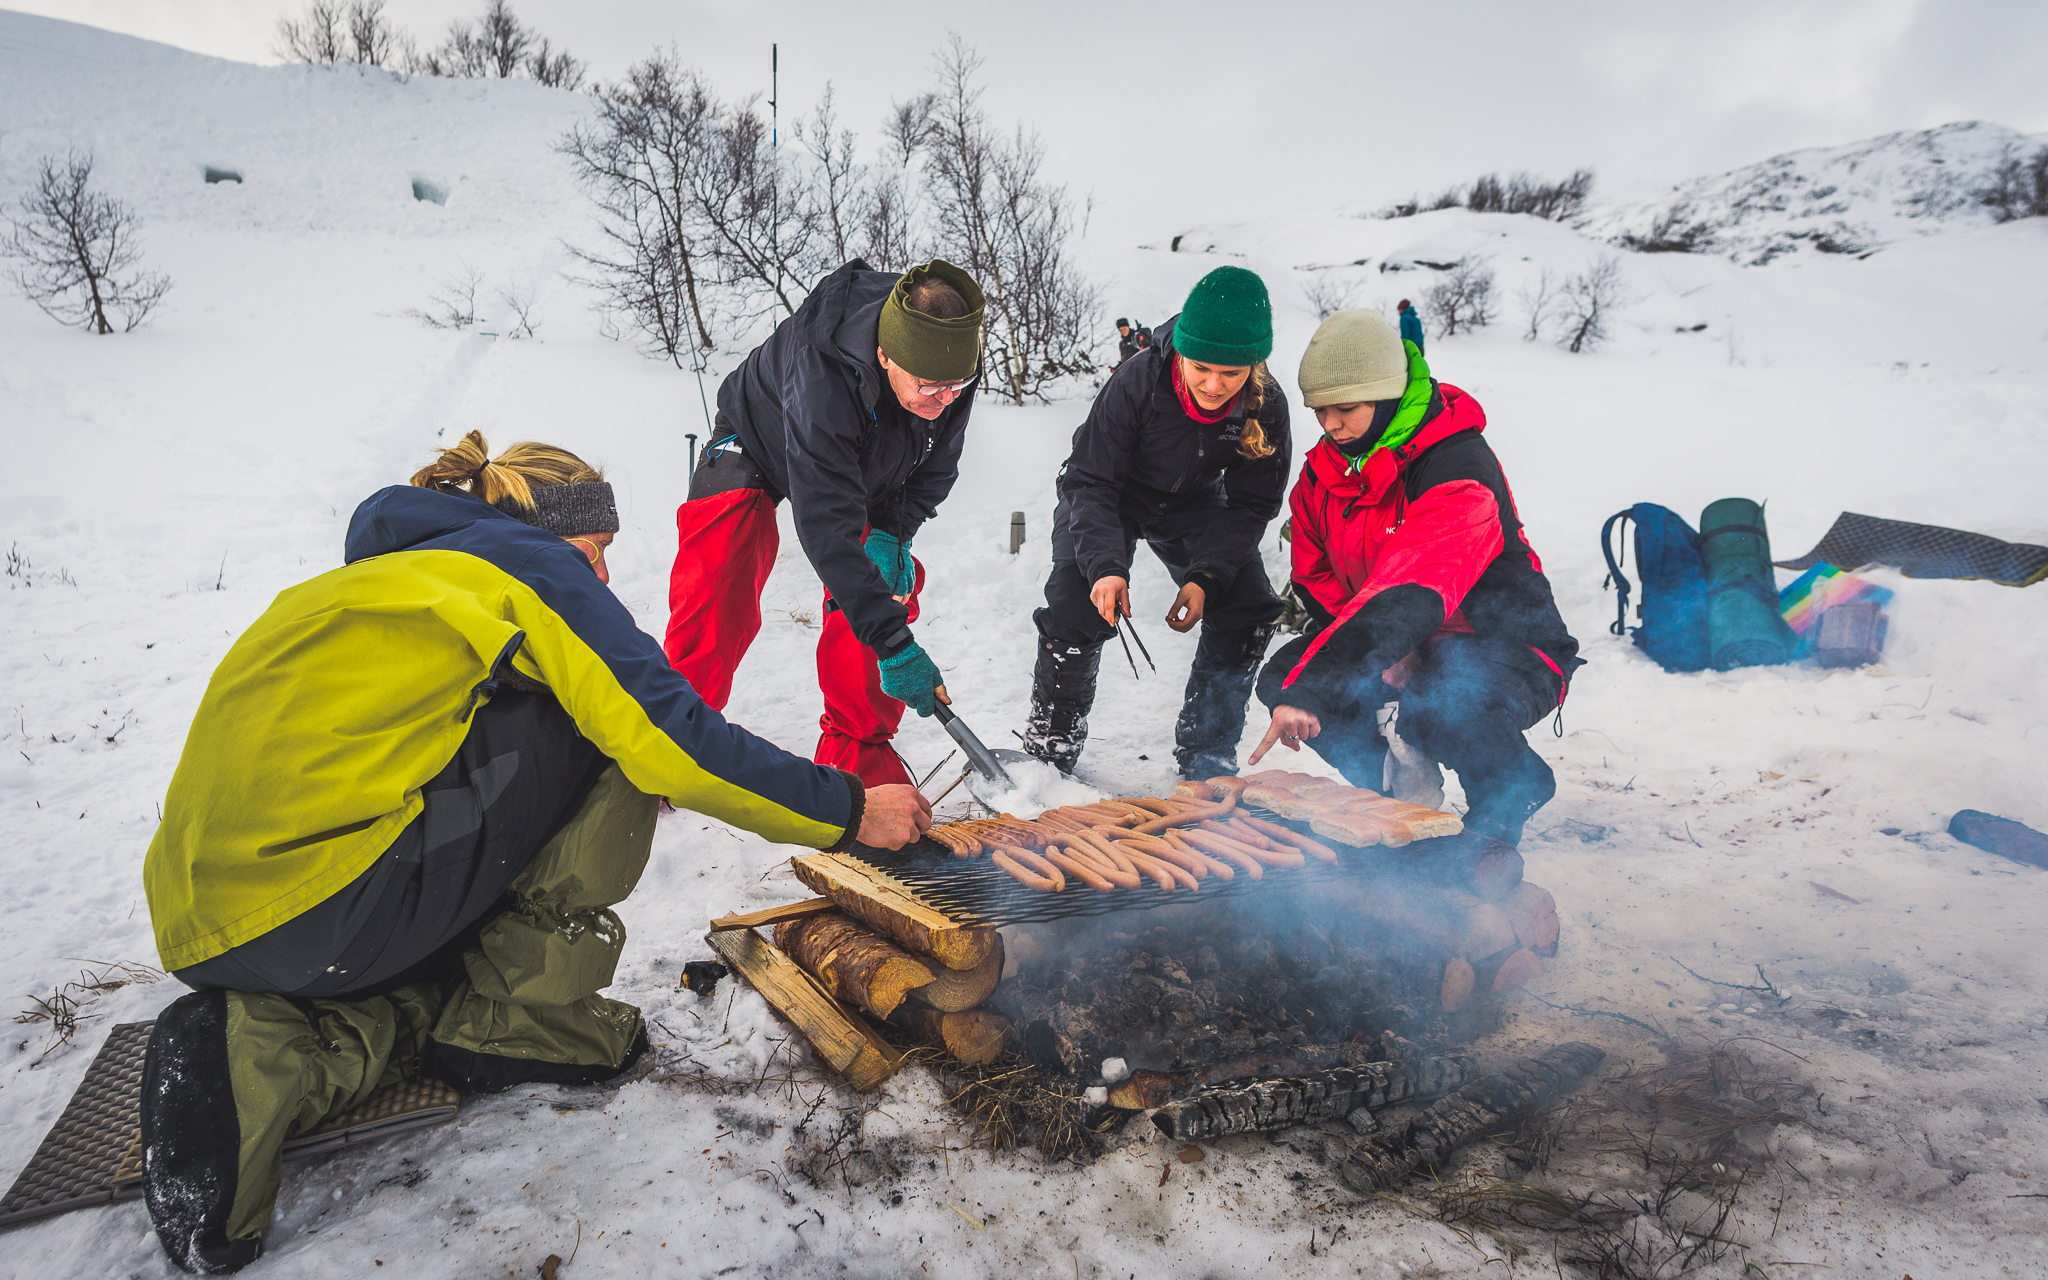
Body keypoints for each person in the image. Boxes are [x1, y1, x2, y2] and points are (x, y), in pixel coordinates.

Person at [139, 431, 932, 1274]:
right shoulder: (527, 567)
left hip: (215, 922)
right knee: (610, 714)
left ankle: (254, 1053)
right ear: (553, 533)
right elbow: (676, 741)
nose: (602, 578)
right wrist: (847, 807)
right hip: (325, 908)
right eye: (597, 552)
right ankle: (517, 1019)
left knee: (537, 738)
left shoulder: (380, 578)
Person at [1249, 310, 1581, 845]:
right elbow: (1317, 579)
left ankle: (1510, 790)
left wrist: (1377, 653)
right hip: (1399, 630)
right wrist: (1375, 658)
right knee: (1285, 680)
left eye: (1346, 409)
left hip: (1502, 643)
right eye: (1320, 410)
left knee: (1444, 699)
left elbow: (1416, 586)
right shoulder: (1322, 476)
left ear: (1384, 397)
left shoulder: (1455, 464)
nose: (1331, 425)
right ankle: (1394, 786)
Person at [664, 259, 984, 788]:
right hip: (757, 438)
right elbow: (825, 526)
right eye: (932, 388)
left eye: (957, 388)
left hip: (869, 455)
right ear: (885, 355)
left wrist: (891, 532)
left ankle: (856, 753)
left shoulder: (949, 362)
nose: (945, 401)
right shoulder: (822, 373)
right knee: (715, 586)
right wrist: (896, 646)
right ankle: (668, 747)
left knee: (883, 581)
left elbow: (935, 466)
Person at [1023, 266, 1290, 780]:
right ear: (1183, 354)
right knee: (1078, 604)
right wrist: (1105, 565)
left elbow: (1252, 505)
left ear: (1252, 368)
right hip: (1110, 494)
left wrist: (1206, 575)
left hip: (1195, 501)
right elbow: (1090, 480)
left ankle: (1207, 751)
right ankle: (1052, 747)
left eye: (1230, 374)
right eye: (1202, 369)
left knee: (1247, 606)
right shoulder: (1139, 379)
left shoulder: (1265, 402)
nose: (1214, 385)